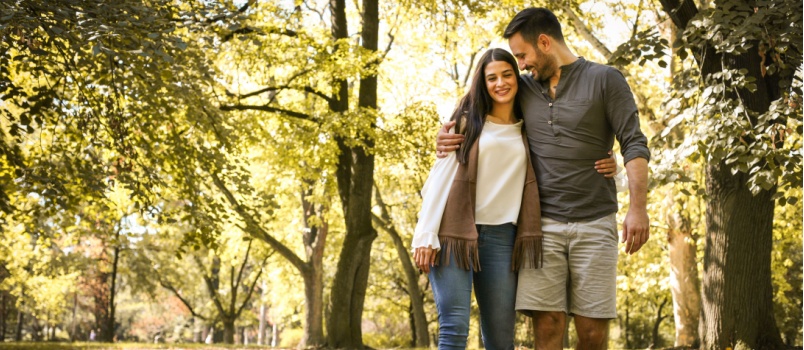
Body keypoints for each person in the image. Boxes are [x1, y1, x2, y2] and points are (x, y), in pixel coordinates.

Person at [436, 8, 651, 349]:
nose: (520, 65)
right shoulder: (523, 88)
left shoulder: (606, 79)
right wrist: (447, 133)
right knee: (548, 326)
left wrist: (637, 207)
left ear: (545, 42)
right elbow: (482, 102)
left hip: (595, 222)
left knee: (593, 332)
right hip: (540, 228)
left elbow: (634, 143)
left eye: (522, 55)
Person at [414, 48, 620, 350]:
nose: (500, 83)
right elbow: (439, 180)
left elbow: (565, 156)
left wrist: (611, 162)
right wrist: (425, 234)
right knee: (454, 327)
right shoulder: (466, 123)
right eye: (491, 78)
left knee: (500, 336)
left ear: (518, 77)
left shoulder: (531, 130)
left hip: (503, 239)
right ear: (482, 83)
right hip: (454, 235)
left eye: (507, 74)